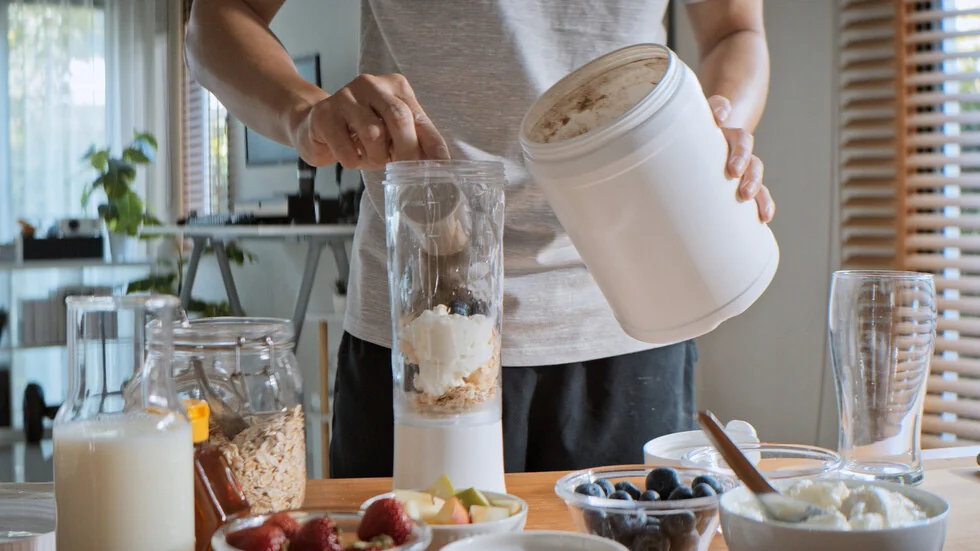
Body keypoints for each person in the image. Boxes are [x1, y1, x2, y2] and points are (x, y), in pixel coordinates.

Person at [186, 0, 773, 476]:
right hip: (415, 326)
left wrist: (717, 124)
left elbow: (734, 30)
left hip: (630, 318)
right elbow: (215, 18)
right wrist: (302, 115)